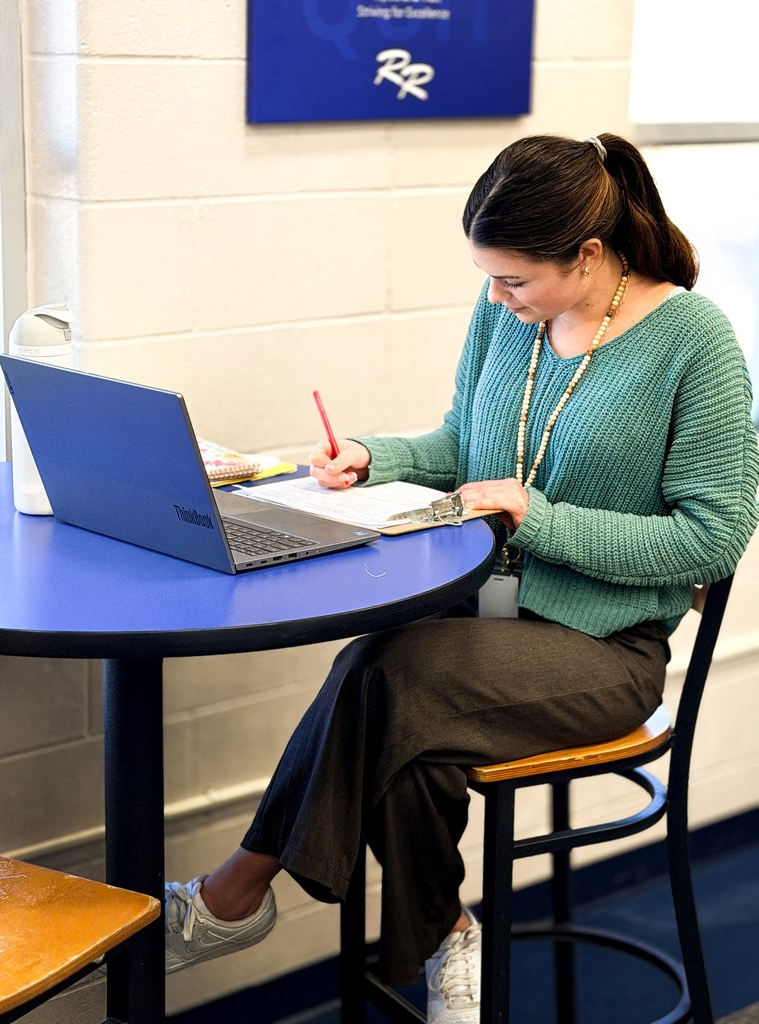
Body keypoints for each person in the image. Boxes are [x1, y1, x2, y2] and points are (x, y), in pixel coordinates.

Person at [163, 133, 759, 1023]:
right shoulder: (507, 317)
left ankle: (236, 892)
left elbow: (712, 539)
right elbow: (462, 450)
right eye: (490, 277)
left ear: (589, 255)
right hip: (485, 627)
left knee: (384, 671)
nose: (496, 296)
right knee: (408, 739)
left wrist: (539, 518)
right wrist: (372, 456)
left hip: (606, 647)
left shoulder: (693, 341)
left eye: (515, 279)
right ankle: (449, 936)